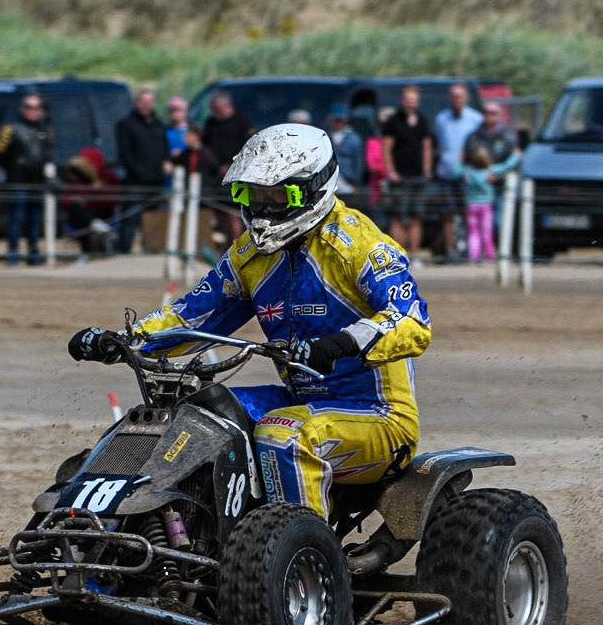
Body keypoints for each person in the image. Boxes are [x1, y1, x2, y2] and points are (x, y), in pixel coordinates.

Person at [69, 123, 432, 522]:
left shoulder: (360, 247)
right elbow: (193, 312)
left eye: (278, 196)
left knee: (283, 437)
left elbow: (412, 321)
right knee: (192, 417)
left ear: (313, 189)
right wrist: (124, 340)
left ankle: (304, 557)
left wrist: (341, 344)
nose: (262, 209)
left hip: (378, 415)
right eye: (251, 195)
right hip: (299, 401)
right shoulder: (249, 256)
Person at [0, 93, 53, 266]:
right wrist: (4, 172)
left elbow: (48, 153)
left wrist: (48, 174)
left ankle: (33, 253)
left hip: (37, 181)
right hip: (17, 181)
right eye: (28, 107)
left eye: (36, 107)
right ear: (22, 109)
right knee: (15, 218)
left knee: (35, 220)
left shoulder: (44, 129)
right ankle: (13, 254)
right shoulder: (10, 129)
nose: (32, 111)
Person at [114, 87, 170, 254]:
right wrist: (140, 173)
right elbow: (125, 155)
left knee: (156, 222)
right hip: (135, 184)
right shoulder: (126, 124)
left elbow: (164, 150)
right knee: (129, 222)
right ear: (136, 103)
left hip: (156, 184)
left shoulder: (159, 125)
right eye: (142, 102)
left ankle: (154, 255)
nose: (146, 105)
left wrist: (166, 164)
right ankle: (122, 255)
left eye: (149, 102)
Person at [381, 85, 434, 257]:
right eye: (407, 99)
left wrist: (427, 171)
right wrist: (391, 172)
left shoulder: (423, 120)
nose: (410, 103)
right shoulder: (393, 121)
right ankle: (398, 254)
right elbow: (386, 148)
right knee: (398, 217)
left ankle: (415, 254)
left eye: (413, 100)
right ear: (402, 100)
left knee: (416, 217)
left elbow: (426, 147)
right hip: (399, 177)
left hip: (418, 177)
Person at [433, 84, 483, 262]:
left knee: (469, 213)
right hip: (446, 173)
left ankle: (471, 251)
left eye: (460, 96)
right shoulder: (441, 119)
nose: (457, 100)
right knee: (447, 213)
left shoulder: (476, 119)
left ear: (466, 99)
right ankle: (450, 250)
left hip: (468, 175)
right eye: (454, 96)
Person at [459, 135, 500, 263]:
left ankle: (473, 256)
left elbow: (455, 170)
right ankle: (489, 257)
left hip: (471, 205)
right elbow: (505, 166)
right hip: (486, 206)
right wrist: (515, 156)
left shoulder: (468, 172)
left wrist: (458, 160)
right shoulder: (489, 172)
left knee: (473, 232)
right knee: (487, 232)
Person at [200, 91, 255, 180]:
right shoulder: (210, 123)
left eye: (216, 109)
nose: (213, 112)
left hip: (238, 168)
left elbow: (249, 145)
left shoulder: (243, 121)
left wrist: (231, 164)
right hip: (215, 171)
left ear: (226, 106)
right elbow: (205, 145)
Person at [324, 103, 367, 198]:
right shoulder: (323, 136)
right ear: (329, 118)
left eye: (340, 120)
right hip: (327, 180)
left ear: (346, 119)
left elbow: (358, 162)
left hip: (348, 181)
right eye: (336, 120)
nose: (338, 122)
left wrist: (356, 183)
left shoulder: (354, 138)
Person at [165, 96, 191, 164]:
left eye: (178, 109)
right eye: (172, 110)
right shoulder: (162, 130)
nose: (175, 113)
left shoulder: (194, 130)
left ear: (186, 111)